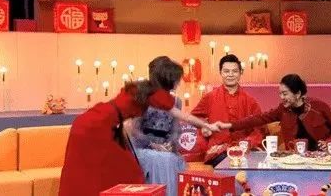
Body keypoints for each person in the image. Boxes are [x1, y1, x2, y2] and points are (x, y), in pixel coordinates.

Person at [59, 56, 220, 196]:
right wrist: (209, 126)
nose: (177, 83)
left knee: (100, 168)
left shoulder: (145, 89)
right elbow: (180, 116)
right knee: (106, 168)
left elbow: (176, 123)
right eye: (176, 79)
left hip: (95, 121)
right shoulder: (151, 94)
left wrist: (169, 144)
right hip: (97, 125)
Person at [220, 74, 331, 152]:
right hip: (296, 159)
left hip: (323, 156)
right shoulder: (283, 110)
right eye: (280, 93)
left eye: (285, 94)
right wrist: (231, 125)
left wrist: (330, 141)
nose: (281, 97)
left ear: (298, 94)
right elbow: (259, 118)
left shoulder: (318, 106)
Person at [191, 54, 264, 165]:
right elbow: (193, 117)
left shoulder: (251, 101)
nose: (230, 74)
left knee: (246, 161)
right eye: (226, 71)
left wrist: (248, 143)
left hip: (244, 149)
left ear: (240, 73)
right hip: (218, 151)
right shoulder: (210, 97)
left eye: (234, 71)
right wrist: (204, 126)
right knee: (227, 161)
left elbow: (259, 129)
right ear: (220, 73)